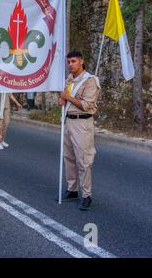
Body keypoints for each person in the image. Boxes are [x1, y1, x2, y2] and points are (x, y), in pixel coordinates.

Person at [58, 51, 100, 211]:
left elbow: (87, 105)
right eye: (68, 62)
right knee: (68, 157)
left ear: (81, 61)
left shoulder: (90, 81)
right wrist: (63, 97)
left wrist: (67, 97)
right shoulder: (70, 79)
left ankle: (86, 195)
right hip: (68, 120)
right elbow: (62, 101)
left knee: (84, 160)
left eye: (73, 61)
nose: (70, 64)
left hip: (82, 123)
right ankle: (72, 189)